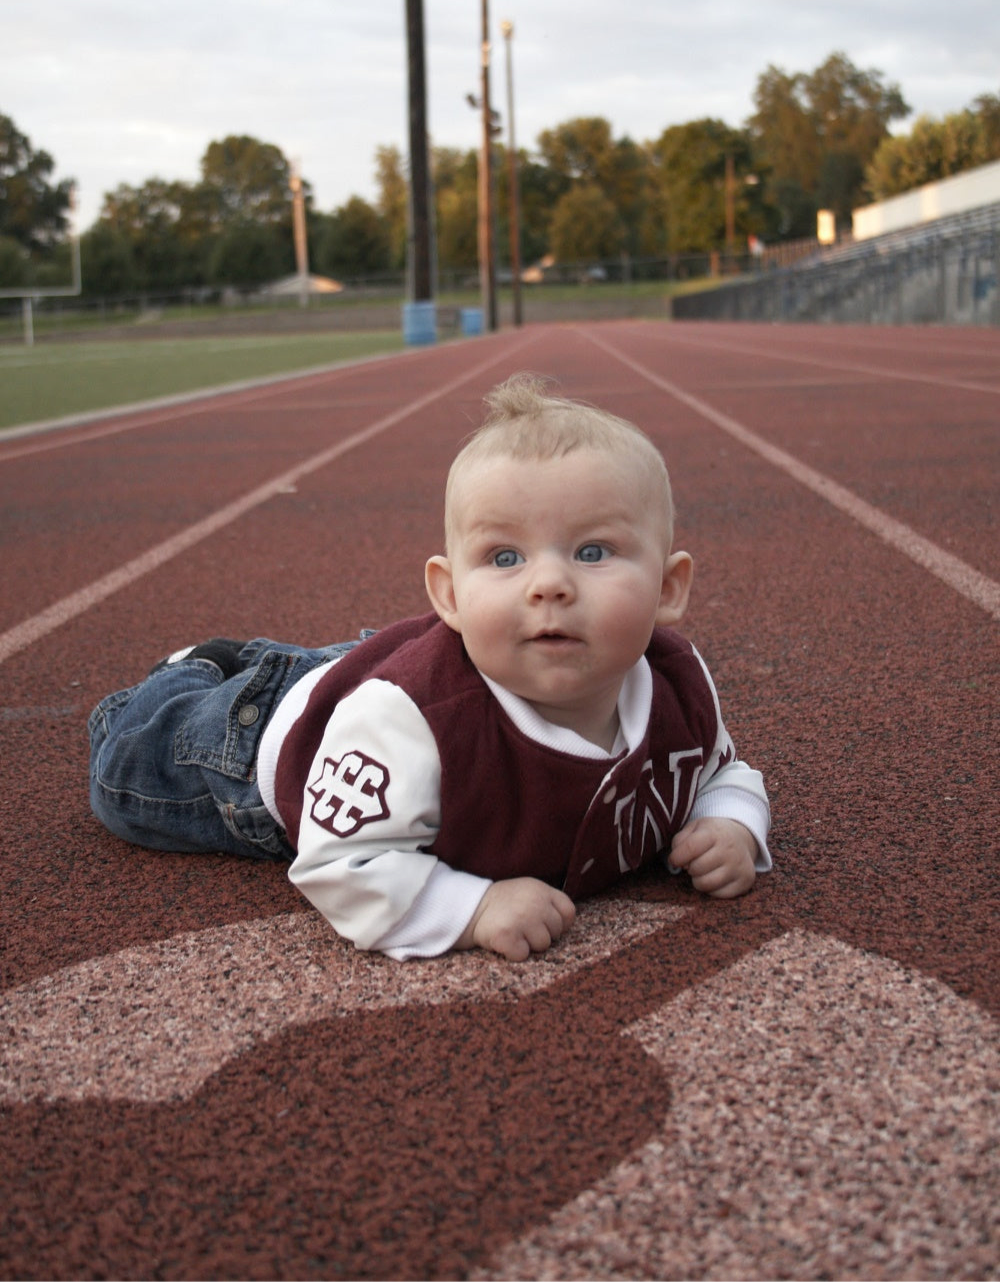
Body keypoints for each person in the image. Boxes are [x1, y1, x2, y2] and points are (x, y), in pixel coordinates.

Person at [89, 374, 771, 962]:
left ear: (669, 587)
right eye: (504, 558)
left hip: (366, 674)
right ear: (448, 595)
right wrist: (470, 908)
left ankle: (283, 663)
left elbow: (719, 770)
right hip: (252, 747)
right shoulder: (409, 721)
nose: (549, 584)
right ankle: (193, 673)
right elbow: (339, 861)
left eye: (593, 552)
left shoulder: (677, 683)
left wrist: (730, 821)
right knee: (123, 768)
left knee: (341, 671)